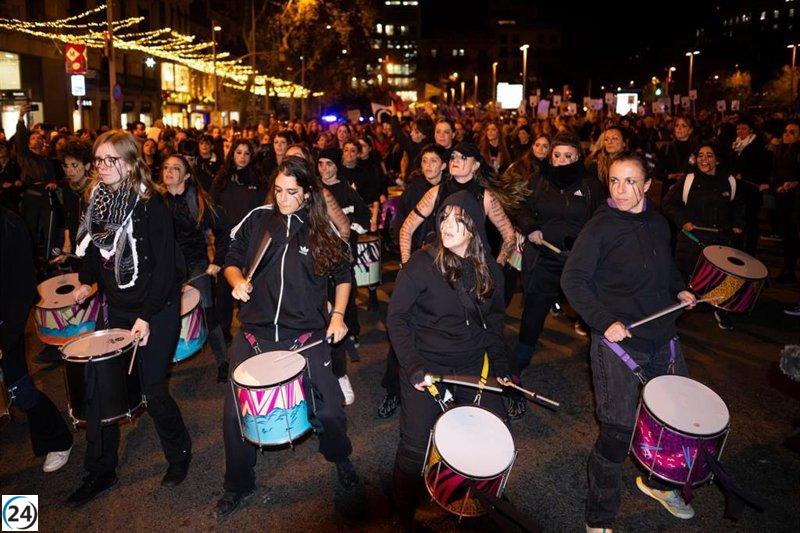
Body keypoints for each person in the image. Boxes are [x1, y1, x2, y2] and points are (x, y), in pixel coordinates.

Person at [215, 156, 359, 518]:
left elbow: (343, 274)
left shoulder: (321, 230)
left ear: (308, 193)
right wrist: (236, 282)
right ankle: (238, 483)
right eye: (278, 190)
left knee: (329, 409)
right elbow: (230, 258)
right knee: (234, 416)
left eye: (291, 192)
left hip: (305, 336)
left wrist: (338, 315)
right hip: (255, 335)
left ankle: (339, 457)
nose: (282, 198)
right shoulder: (258, 221)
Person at [561, 152, 698, 532]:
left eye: (631, 181)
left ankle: (658, 484)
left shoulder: (658, 222)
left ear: (648, 185)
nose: (622, 190)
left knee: (673, 424)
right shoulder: (599, 228)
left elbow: (665, 268)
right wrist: (605, 322)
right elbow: (573, 281)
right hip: (618, 342)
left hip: (662, 335)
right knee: (617, 431)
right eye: (615, 181)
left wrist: (680, 290)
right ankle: (599, 516)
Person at [69, 130, 192, 506]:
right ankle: (100, 470)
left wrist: (146, 316)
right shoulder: (96, 200)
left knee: (152, 389)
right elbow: (93, 247)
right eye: (99, 160)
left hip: (158, 306)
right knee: (101, 388)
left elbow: (166, 269)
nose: (103, 168)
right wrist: (87, 283)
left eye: (112, 160)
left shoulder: (150, 203)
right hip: (117, 307)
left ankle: (179, 452)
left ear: (131, 161)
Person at [387, 190, 511, 531]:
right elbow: (396, 319)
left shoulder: (492, 272)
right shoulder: (420, 266)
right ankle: (402, 511)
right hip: (426, 366)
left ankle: (475, 498)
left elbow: (495, 324)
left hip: (473, 365)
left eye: (458, 219)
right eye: (443, 217)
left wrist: (502, 368)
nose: (447, 225)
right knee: (414, 444)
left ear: (473, 227)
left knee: (495, 432)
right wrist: (412, 367)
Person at [513, 133, 603, 406]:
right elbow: (522, 208)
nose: (562, 161)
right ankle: (519, 360)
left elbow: (601, 220)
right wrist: (531, 228)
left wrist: (583, 244)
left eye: (568, 156)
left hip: (577, 261)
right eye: (557, 156)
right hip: (543, 257)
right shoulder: (539, 180)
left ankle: (606, 360)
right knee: (534, 307)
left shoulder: (591, 186)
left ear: (578, 157)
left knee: (591, 312)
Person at [1, 204, 74, 473]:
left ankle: (58, 440)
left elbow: (22, 286)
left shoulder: (10, 224)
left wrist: (6, 336)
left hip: (5, 325)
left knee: (20, 391)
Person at [161, 154, 230, 381]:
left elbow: (224, 230)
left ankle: (223, 362)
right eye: (166, 167)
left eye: (176, 168)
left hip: (196, 265)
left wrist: (217, 261)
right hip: (167, 267)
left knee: (208, 312)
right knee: (162, 315)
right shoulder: (155, 201)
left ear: (187, 175)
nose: (169, 172)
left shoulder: (198, 199)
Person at [398, 142, 520, 266]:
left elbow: (509, 235)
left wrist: (498, 266)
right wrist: (406, 265)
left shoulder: (486, 197)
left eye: (463, 157)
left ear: (475, 165)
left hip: (473, 268)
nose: (455, 160)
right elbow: (406, 228)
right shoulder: (436, 192)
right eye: (453, 157)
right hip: (439, 266)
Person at [663, 144, 744, 330]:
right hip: (691, 241)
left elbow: (738, 206)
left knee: (722, 280)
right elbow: (668, 203)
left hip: (719, 241)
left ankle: (722, 311)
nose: (704, 159)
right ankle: (672, 319)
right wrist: (683, 221)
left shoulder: (729, 180)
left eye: (709, 155)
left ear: (717, 159)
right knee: (684, 283)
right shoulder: (688, 179)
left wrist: (739, 225)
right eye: (700, 155)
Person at [318, 147, 371, 405]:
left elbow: (364, 217)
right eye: (321, 164)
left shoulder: (347, 191)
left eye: (329, 164)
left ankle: (350, 336)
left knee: (344, 302)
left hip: (341, 256)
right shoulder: (311, 191)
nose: (325, 168)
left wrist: (350, 233)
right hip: (317, 260)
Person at [212, 139, 268, 344]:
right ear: (232, 154)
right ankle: (223, 331)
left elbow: (265, 208)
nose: (242, 157)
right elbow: (213, 207)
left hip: (252, 239)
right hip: (226, 239)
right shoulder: (222, 179)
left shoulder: (260, 179)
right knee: (225, 288)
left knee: (250, 284)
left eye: (246, 153)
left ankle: (251, 329)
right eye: (238, 152)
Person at [731, 117, 771, 256]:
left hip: (752, 188)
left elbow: (763, 167)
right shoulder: (736, 144)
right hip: (738, 188)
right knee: (739, 218)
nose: (740, 131)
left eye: (744, 128)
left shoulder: (757, 146)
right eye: (738, 128)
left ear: (750, 130)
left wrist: (745, 175)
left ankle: (750, 250)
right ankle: (739, 248)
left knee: (751, 221)